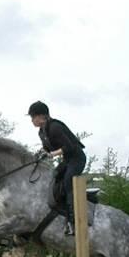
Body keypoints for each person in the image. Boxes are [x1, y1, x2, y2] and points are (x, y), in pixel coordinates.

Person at [28, 101, 86, 236]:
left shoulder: (55, 127)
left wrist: (52, 154)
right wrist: (40, 153)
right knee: (54, 178)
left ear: (41, 116)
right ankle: (62, 212)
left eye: (33, 117)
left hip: (77, 159)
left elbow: (70, 147)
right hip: (67, 160)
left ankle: (74, 222)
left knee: (67, 182)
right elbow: (47, 148)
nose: (32, 120)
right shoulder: (42, 132)